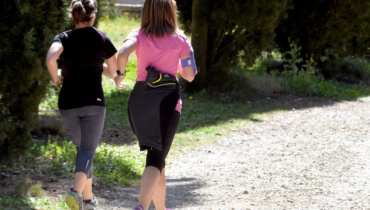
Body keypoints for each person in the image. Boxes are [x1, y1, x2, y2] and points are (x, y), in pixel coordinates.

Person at [114, 0, 197, 209]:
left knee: (159, 160)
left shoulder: (138, 35)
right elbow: (189, 75)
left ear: (147, 10)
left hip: (139, 102)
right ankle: (141, 206)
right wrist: (178, 59)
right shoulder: (180, 40)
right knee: (156, 158)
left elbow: (122, 54)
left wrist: (120, 75)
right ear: (171, 11)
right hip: (166, 104)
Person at [45, 0, 118, 209]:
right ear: (93, 16)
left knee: (84, 150)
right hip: (93, 103)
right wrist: (100, 66)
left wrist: (56, 78)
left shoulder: (64, 37)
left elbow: (51, 59)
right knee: (87, 149)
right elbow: (113, 73)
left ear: (73, 16)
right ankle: (75, 193)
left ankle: (88, 199)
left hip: (68, 103)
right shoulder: (102, 39)